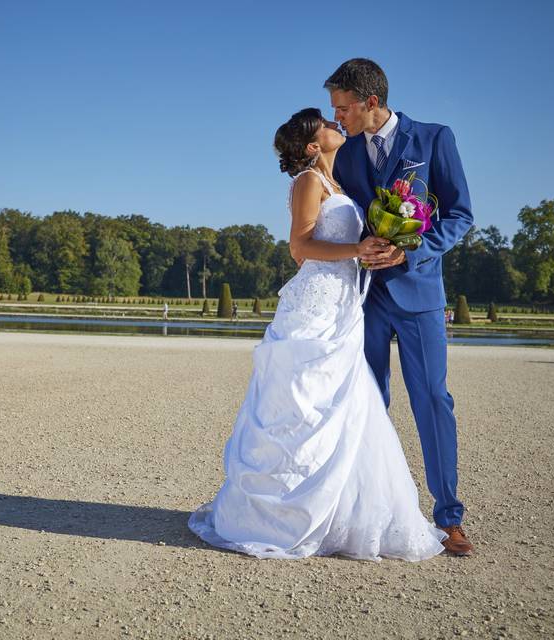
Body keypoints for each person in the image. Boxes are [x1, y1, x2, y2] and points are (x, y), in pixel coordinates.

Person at [188, 107, 446, 561]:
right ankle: (284, 516)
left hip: (343, 305)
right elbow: (299, 246)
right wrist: (356, 248)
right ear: (313, 146)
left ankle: (341, 515)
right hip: (315, 306)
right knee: (303, 401)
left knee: (345, 404)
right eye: (326, 125)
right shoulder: (309, 181)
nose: (335, 125)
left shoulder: (339, 183)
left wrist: (377, 245)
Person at [328, 58, 474, 555]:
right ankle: (369, 513)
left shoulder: (435, 139)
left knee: (433, 401)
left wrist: (413, 247)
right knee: (369, 402)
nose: (338, 117)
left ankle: (449, 517)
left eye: (344, 108)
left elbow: (460, 215)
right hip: (365, 298)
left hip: (419, 297)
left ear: (372, 102)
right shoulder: (344, 155)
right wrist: (359, 249)